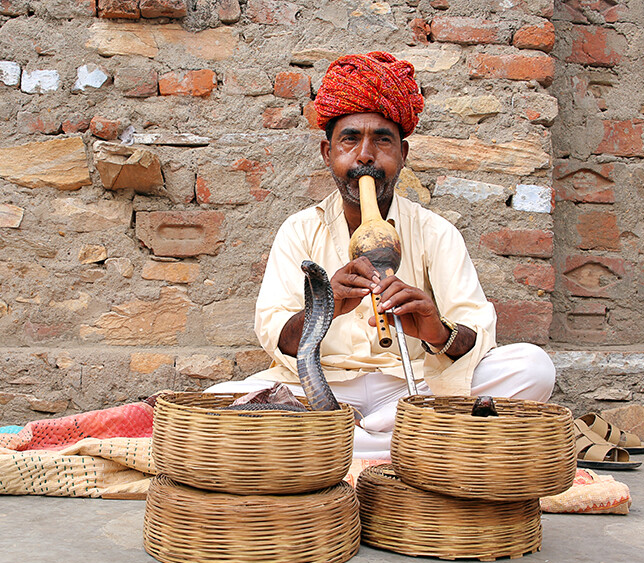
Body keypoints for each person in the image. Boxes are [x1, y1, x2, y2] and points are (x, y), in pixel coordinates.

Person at [208, 51, 555, 459]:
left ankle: (352, 442)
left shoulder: (435, 231)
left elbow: (477, 333)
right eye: (350, 139)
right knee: (218, 405)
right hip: (320, 385)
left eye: (382, 140)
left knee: (533, 368)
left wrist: (435, 330)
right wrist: (324, 305)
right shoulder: (299, 230)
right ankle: (409, 444)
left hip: (412, 386)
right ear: (328, 153)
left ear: (403, 155)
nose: (365, 156)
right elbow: (277, 337)